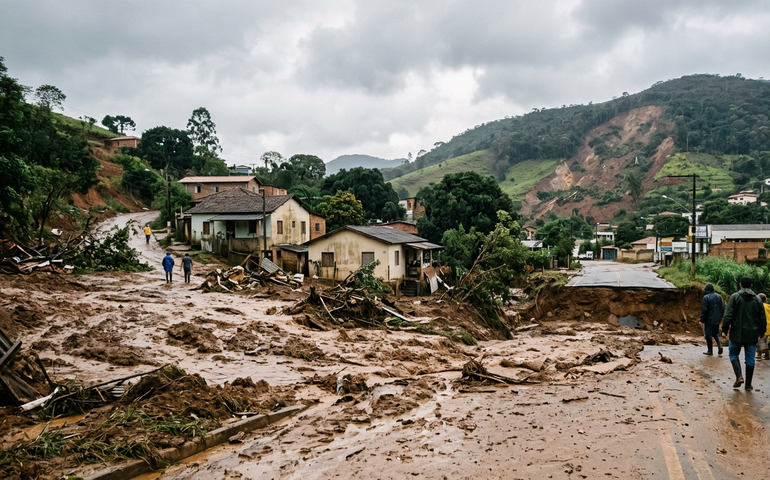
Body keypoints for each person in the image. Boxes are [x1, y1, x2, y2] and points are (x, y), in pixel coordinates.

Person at [722, 276, 767, 390]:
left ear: (740, 285)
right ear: (751, 286)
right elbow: (762, 317)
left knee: (733, 354)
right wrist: (762, 331)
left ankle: (739, 376)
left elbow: (728, 316)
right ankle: (748, 385)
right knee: (750, 358)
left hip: (737, 332)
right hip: (752, 334)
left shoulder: (735, 297)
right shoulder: (757, 300)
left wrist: (725, 329)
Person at [700, 283, 724, 356]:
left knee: (708, 335)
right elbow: (722, 308)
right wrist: (721, 318)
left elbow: (704, 310)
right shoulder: (719, 296)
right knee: (716, 333)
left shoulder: (706, 297)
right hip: (717, 319)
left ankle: (710, 350)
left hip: (709, 319)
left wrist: (702, 320)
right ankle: (720, 346)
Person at [759, 293, 770, 360]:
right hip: (769, 326)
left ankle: (759, 353)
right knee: (767, 340)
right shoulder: (768, 306)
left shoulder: (758, 306)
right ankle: (767, 354)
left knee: (761, 340)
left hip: (762, 326)